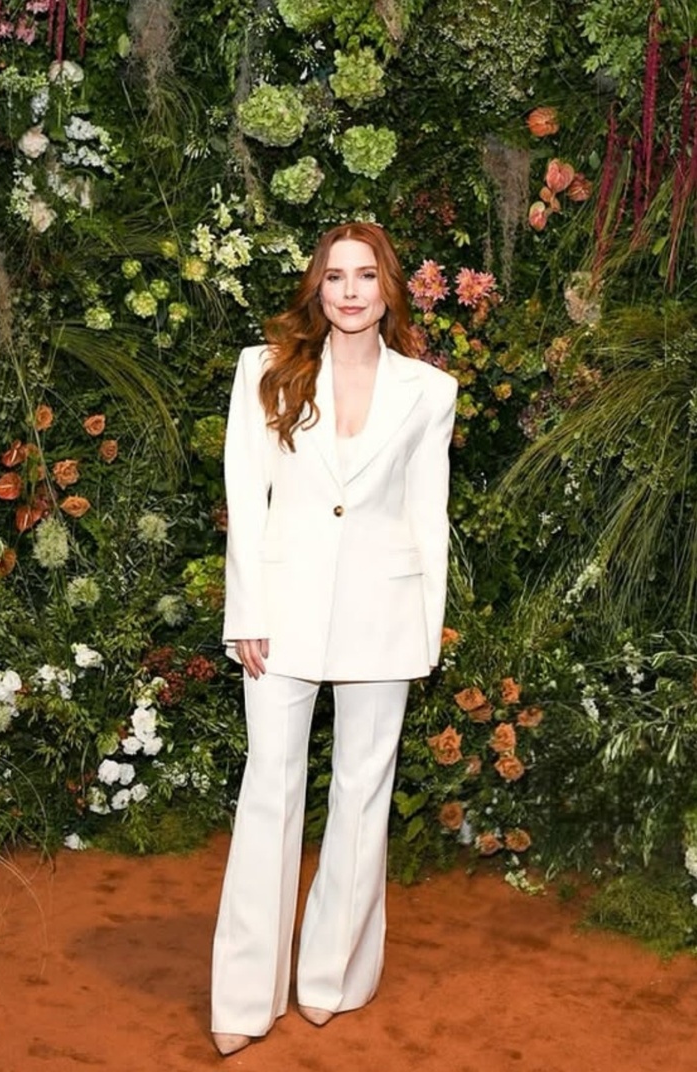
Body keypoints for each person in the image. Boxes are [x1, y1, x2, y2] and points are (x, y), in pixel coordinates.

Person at [210, 221, 457, 1057]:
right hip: (281, 613)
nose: (350, 292)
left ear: (388, 288)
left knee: (362, 794)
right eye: (335, 276)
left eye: (366, 276)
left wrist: (423, 632)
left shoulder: (430, 391)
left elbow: (428, 515)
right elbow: (246, 496)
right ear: (317, 287)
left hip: (383, 613)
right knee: (269, 790)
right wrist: (246, 611)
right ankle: (245, 994)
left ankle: (332, 976)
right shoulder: (265, 369)